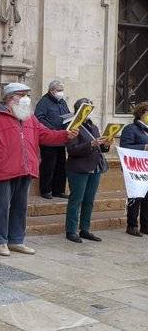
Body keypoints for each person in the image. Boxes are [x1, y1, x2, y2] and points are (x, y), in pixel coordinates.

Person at [0, 83, 78, 256]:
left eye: (26, 95)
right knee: (2, 207)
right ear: (9, 98)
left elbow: (46, 135)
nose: (25, 99)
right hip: (4, 168)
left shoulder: (30, 118)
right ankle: (1, 241)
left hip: (26, 167)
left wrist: (66, 135)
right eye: (21, 95)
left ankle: (16, 240)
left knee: (20, 207)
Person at [64, 98, 111, 243]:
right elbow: (72, 150)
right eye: (87, 109)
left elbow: (100, 147)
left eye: (90, 108)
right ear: (80, 110)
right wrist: (90, 144)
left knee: (89, 200)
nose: (89, 111)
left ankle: (85, 229)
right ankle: (71, 230)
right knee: (76, 200)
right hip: (78, 168)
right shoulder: (73, 125)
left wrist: (106, 144)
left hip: (95, 167)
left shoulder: (93, 126)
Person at [35, 80, 71, 199]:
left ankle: (58, 190)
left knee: (61, 166)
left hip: (61, 138)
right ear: (52, 91)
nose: (61, 93)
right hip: (49, 139)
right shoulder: (44, 102)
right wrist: (51, 129)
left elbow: (67, 114)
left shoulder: (62, 102)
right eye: (59, 90)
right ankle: (46, 190)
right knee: (48, 166)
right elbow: (39, 118)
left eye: (62, 90)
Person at [119, 101, 148, 237]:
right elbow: (125, 147)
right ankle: (132, 225)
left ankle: (145, 226)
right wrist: (144, 147)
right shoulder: (131, 129)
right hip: (135, 170)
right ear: (142, 114)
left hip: (146, 169)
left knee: (147, 199)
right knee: (136, 198)